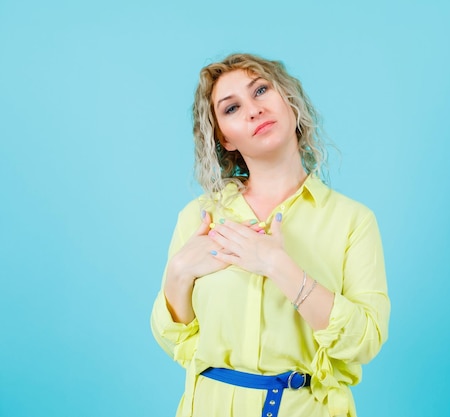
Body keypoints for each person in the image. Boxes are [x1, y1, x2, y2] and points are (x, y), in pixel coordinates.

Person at [150, 53, 390, 417]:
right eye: (231, 108)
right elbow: (175, 340)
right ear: (224, 139)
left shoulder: (352, 220)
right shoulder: (200, 218)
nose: (253, 110)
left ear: (290, 101)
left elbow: (364, 342)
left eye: (261, 90)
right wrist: (179, 272)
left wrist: (278, 265)